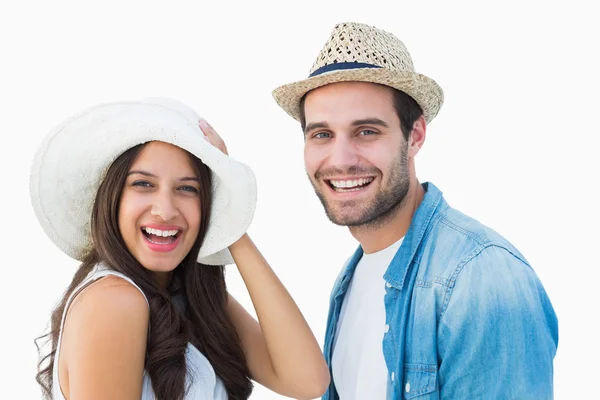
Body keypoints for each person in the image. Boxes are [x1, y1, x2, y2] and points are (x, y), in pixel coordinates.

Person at [272, 22, 558, 399]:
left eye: (367, 131)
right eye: (322, 134)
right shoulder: (351, 278)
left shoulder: (480, 278)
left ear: (415, 135)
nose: (340, 159)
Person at [31, 97, 330, 400]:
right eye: (143, 184)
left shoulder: (189, 299)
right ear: (113, 198)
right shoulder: (115, 301)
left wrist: (230, 215)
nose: (165, 210)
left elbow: (306, 381)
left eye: (187, 189)